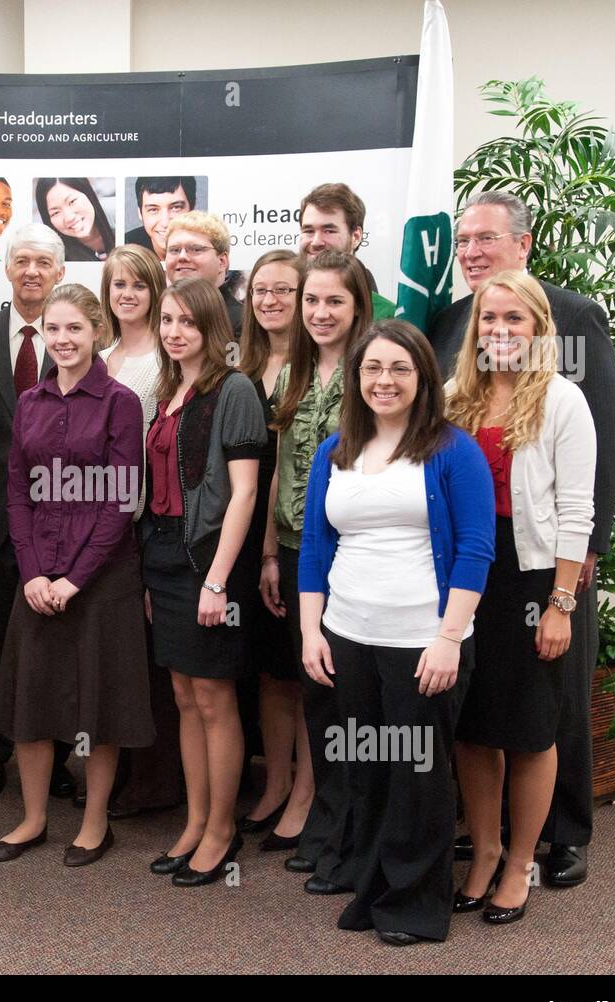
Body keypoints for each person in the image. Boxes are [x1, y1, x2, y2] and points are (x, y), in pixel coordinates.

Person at [428, 190, 615, 889]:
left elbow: (601, 453)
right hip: (475, 562)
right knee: (481, 710)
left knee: (553, 703)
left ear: (524, 244)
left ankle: (560, 836)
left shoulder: (574, 316)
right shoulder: (453, 319)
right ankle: (488, 842)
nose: (473, 252)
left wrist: (578, 573)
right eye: (463, 243)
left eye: (486, 239)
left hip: (551, 559)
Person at [298, 318, 494, 946]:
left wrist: (447, 637)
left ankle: (413, 902)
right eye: (372, 369)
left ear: (422, 378)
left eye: (399, 369)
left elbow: (475, 549)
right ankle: (371, 877)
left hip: (422, 640)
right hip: (348, 634)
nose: (384, 381)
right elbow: (314, 547)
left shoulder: (453, 450)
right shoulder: (337, 451)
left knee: (416, 771)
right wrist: (311, 632)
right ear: (356, 380)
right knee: (367, 763)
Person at [447, 272, 596, 925]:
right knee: (474, 730)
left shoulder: (563, 402)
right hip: (465, 581)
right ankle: (482, 854)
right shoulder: (455, 397)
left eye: (514, 319)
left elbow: (575, 512)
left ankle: (518, 864)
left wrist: (561, 604)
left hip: (532, 582)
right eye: (490, 318)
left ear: (538, 328)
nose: (501, 331)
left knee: (531, 732)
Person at [0, 284, 152, 865]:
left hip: (101, 578)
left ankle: (93, 823)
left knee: (97, 703)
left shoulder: (120, 402)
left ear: (95, 331)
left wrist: (74, 579)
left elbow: (120, 500)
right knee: (30, 701)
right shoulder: (30, 402)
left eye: (74, 329)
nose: (62, 340)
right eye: (53, 330)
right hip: (37, 577)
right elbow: (16, 494)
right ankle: (32, 820)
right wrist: (33, 574)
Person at [141, 278, 266, 887]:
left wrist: (218, 582)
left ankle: (222, 830)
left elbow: (245, 492)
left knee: (215, 699)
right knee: (185, 698)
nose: (174, 331)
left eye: (188, 321)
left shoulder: (233, 389)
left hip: (210, 561)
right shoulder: (169, 388)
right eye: (167, 320)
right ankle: (194, 823)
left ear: (213, 326)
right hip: (163, 558)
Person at [261, 250, 371, 883]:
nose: (320, 312)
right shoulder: (292, 375)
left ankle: (349, 830)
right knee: (316, 690)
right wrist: (273, 551)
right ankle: (325, 819)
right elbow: (280, 464)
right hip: (299, 550)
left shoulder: (377, 372)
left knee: (352, 698)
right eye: (312, 301)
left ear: (358, 305)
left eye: (334, 301)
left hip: (353, 555)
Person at [0, 224, 71, 808]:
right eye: (21, 261)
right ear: (7, 270)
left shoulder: (77, 335)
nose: (31, 271)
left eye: (42, 263)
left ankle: (59, 757)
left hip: (60, 522)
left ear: (60, 272)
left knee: (53, 647)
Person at [96, 244, 181, 820]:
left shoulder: (167, 357)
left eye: (138, 285)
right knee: (116, 657)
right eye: (117, 284)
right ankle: (117, 773)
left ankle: (157, 780)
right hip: (100, 522)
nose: (126, 294)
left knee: (154, 658)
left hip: (151, 519)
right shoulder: (99, 355)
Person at [235, 251, 306, 850]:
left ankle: (307, 796)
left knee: (303, 667)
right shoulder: (242, 361)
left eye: (285, 290)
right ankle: (275, 783)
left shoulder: (316, 366)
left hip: (288, 534)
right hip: (241, 532)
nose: (271, 300)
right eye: (260, 289)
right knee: (269, 670)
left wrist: (270, 553)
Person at [297, 182, 396, 320]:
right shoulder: (283, 307)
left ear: (356, 236)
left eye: (329, 230)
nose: (316, 242)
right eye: (308, 231)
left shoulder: (386, 317)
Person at [163, 211, 242, 333]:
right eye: (174, 250)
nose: (182, 256)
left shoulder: (243, 324)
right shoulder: (157, 319)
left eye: (195, 249)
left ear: (222, 261)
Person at [34, 177, 116, 262]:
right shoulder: (55, 255)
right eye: (56, 213)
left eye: (72, 201)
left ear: (88, 193)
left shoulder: (119, 212)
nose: (69, 218)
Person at [124, 176, 196, 259]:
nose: (165, 223)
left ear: (192, 210)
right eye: (153, 209)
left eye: (176, 208)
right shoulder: (126, 246)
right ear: (140, 213)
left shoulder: (207, 245)